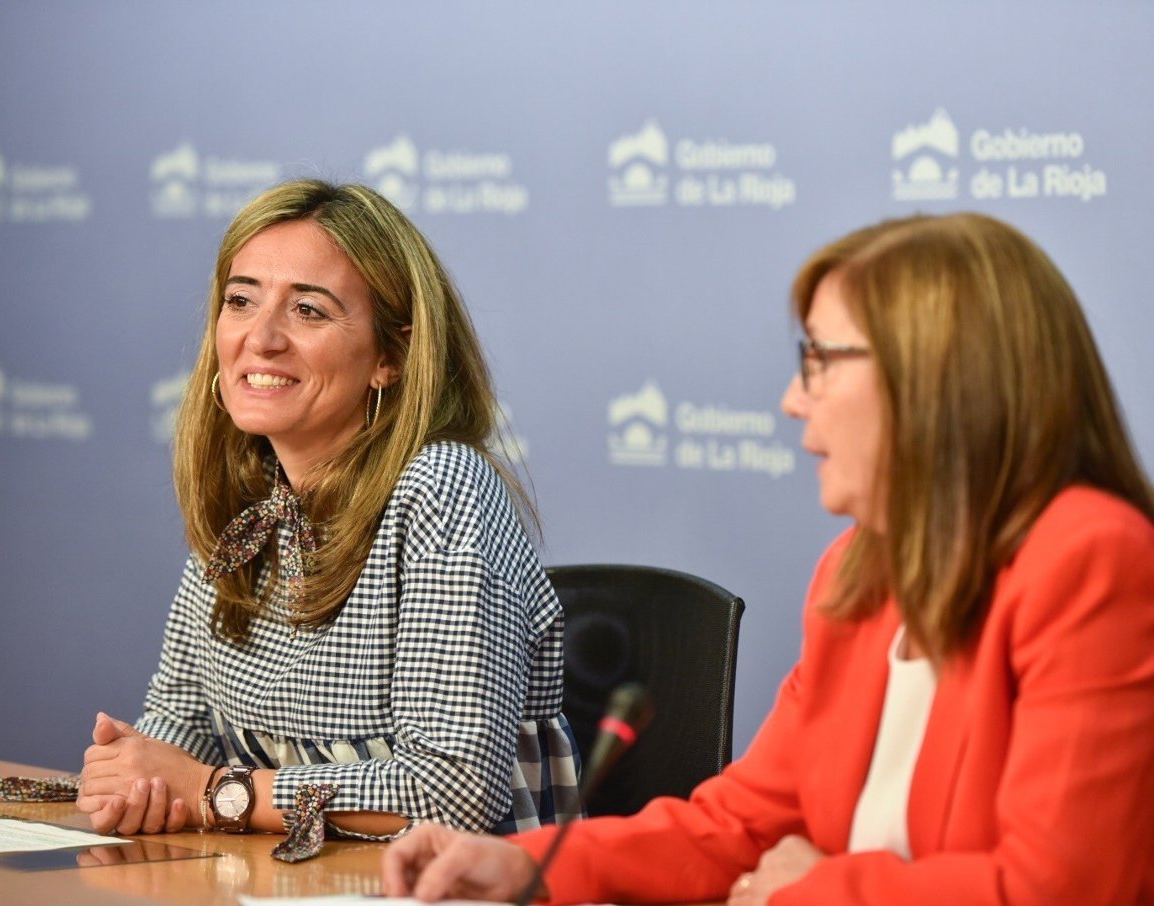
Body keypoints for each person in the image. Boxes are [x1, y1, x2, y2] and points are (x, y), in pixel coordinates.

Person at [381, 211, 1154, 905]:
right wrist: (529, 866)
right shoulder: (858, 572)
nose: (792, 398)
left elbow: (1063, 889)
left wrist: (814, 889)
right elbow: (740, 825)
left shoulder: (1089, 560)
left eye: (819, 360)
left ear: (937, 377)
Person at [76, 179, 580, 840]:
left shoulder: (442, 488)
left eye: (308, 311)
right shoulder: (251, 505)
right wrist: (134, 777)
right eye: (240, 300)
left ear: (390, 357)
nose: (260, 337)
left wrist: (211, 790)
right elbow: (178, 728)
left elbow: (454, 792)